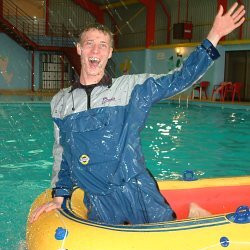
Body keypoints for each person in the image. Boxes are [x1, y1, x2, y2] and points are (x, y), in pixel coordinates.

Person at [30, 2, 245, 224]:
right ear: (79, 48)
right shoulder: (60, 102)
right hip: (99, 200)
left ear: (110, 52)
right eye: (90, 44)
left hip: (138, 190)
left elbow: (179, 79)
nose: (95, 50)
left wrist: (215, 35)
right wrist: (59, 195)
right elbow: (62, 153)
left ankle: (194, 215)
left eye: (103, 45)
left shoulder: (130, 89)